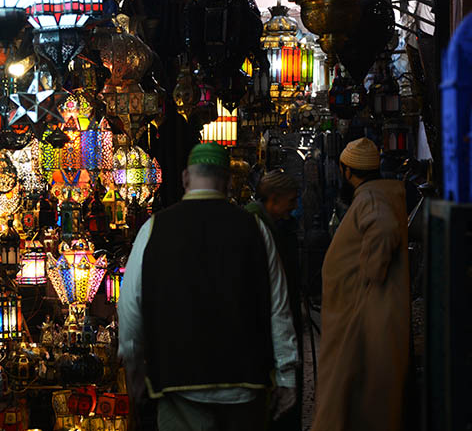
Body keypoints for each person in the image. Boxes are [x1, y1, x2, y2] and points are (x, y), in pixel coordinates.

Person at [118, 142, 298, 431]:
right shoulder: (255, 228)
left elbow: (129, 308)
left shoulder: (154, 229)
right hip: (245, 383)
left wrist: (134, 369)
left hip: (178, 381)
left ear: (185, 178)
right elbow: (278, 307)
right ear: (228, 182)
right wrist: (287, 376)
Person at [312, 137, 410, 431]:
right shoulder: (373, 195)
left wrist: (372, 270)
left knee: (355, 395)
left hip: (363, 313)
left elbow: (382, 228)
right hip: (360, 310)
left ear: (346, 171)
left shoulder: (370, 199)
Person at [246, 170, 303, 431]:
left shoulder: (272, 223)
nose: (293, 208)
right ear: (273, 199)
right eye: (291, 201)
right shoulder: (254, 225)